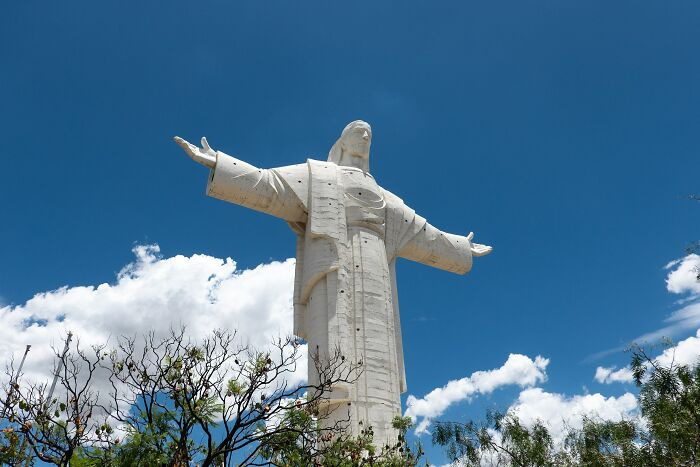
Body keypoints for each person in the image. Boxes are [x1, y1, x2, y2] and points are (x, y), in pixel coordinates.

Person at [174, 120, 491, 445]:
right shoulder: (320, 176)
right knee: (337, 375)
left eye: (369, 133)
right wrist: (220, 163)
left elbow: (426, 235)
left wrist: (461, 248)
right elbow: (269, 183)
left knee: (382, 389)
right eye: (357, 130)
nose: (365, 135)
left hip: (376, 279)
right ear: (342, 141)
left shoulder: (387, 199)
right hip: (336, 270)